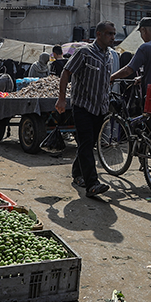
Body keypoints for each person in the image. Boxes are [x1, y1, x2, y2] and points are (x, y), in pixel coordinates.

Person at [55, 21, 116, 198]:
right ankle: (92, 184)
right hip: (83, 106)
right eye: (109, 34)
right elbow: (66, 73)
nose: (112, 37)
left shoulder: (109, 56)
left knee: (86, 144)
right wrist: (61, 99)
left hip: (100, 108)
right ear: (98, 34)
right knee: (86, 143)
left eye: (113, 34)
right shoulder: (84, 52)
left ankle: (77, 173)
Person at [111, 17, 151, 98]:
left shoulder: (145, 47)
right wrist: (143, 78)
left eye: (141, 32)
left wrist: (111, 77)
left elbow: (128, 70)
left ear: (143, 30)